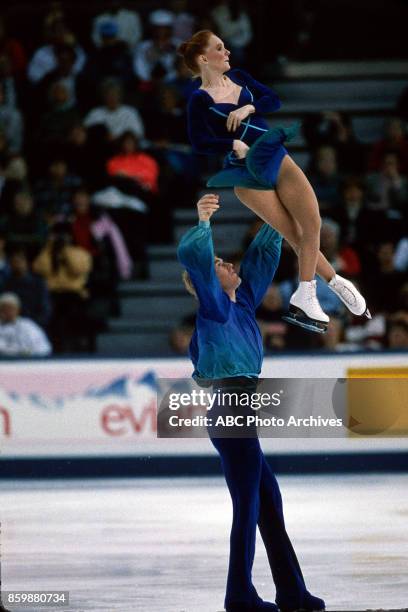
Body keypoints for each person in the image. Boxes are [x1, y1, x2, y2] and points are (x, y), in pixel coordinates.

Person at [177, 194, 325, 612]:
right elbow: (198, 263)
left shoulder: (241, 306)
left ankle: (292, 591)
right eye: (222, 265)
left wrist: (278, 208)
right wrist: (203, 221)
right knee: (249, 504)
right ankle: (239, 593)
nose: (230, 265)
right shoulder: (214, 309)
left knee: (269, 505)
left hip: (239, 406)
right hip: (230, 409)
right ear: (209, 279)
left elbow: (262, 255)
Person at [179, 30, 370, 333]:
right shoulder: (199, 100)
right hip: (247, 173)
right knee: (294, 234)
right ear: (204, 58)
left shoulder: (240, 76)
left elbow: (273, 100)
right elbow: (200, 141)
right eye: (219, 48)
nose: (227, 51)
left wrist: (248, 107)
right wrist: (231, 145)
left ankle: (317, 288)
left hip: (274, 154)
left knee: (312, 224)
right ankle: (327, 284)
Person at [0, 292, 51, 356]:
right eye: (4, 309)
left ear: (17, 309)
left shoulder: (28, 325)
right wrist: (18, 352)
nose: (7, 312)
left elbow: (44, 347)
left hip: (28, 362)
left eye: (10, 308)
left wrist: (30, 353)